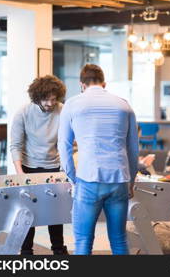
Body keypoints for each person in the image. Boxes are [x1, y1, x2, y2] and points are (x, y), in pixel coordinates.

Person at [58, 64, 139, 255]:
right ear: (104, 83)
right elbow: (133, 148)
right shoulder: (123, 105)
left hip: (88, 178)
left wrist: (72, 178)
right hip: (119, 179)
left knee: (83, 242)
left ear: (82, 85)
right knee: (119, 240)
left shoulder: (72, 104)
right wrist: (131, 180)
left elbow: (64, 145)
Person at [10, 75, 68, 255]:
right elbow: (15, 145)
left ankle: (58, 250)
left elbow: (66, 142)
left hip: (53, 166)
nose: (50, 103)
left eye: (53, 99)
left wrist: (66, 167)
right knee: (29, 212)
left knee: (55, 212)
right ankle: (26, 251)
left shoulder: (63, 110)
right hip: (29, 167)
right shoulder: (23, 113)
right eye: (46, 99)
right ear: (36, 97)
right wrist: (20, 172)